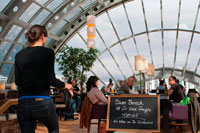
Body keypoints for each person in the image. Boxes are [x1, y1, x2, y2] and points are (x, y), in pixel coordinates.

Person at [15, 25, 72, 133]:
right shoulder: (48, 53)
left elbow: (17, 81)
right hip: (42, 101)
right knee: (54, 129)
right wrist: (66, 85)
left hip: (23, 102)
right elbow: (51, 79)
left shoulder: (19, 55)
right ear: (42, 36)